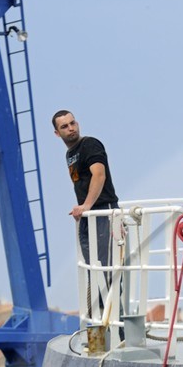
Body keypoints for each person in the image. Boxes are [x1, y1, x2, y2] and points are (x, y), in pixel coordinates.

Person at [52, 109, 119, 314]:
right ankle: (102, 321)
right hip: (89, 218)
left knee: (108, 273)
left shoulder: (89, 144)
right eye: (64, 126)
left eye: (72, 123)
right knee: (94, 272)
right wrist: (83, 210)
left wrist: (87, 205)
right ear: (57, 133)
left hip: (103, 213)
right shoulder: (70, 154)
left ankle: (117, 325)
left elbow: (99, 175)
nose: (71, 128)